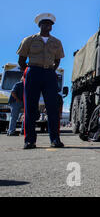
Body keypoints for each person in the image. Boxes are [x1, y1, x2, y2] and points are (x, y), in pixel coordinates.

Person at [17, 13, 65, 149]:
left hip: (49, 73)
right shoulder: (29, 40)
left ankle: (55, 140)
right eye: (44, 24)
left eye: (49, 24)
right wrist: (27, 72)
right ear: (40, 25)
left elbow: (57, 60)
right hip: (33, 72)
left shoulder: (56, 42)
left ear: (52, 27)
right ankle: (29, 140)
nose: (47, 26)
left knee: (53, 108)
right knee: (30, 108)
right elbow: (21, 60)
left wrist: (51, 70)